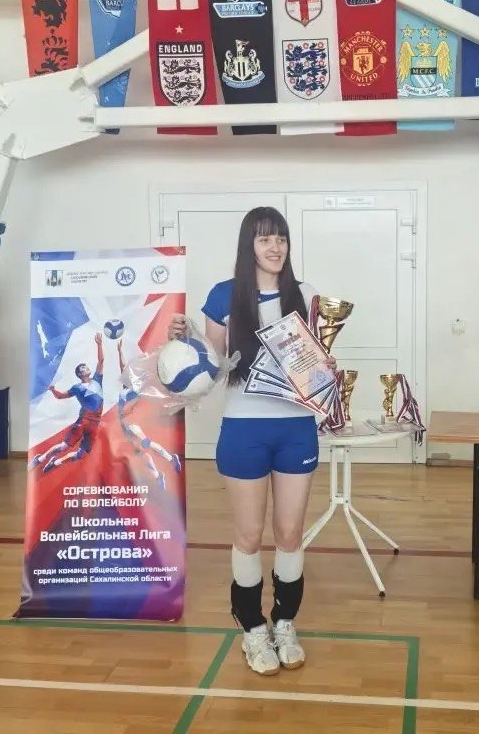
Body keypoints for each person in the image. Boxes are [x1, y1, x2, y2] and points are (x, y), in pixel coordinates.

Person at [168, 207, 333, 676]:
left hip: (296, 428)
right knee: (248, 535)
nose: (275, 247)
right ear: (249, 246)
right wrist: (185, 340)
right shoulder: (224, 294)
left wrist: (324, 369)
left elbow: (318, 363)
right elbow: (213, 365)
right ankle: (252, 628)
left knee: (289, 534)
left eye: (281, 238)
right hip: (244, 428)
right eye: (264, 239)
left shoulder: (306, 294)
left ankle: (284, 622)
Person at [29, 333, 105, 474]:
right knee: (64, 446)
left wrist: (99, 344)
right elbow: (61, 396)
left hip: (96, 423)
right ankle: (39, 459)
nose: (86, 368)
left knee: (82, 454)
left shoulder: (97, 380)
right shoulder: (77, 387)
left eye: (86, 367)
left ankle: (56, 462)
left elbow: (101, 361)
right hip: (84, 421)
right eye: (83, 368)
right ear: (80, 374)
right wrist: (53, 390)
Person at [116, 337, 182, 489]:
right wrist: (119, 352)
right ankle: (158, 476)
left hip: (130, 421)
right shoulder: (125, 388)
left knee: (145, 442)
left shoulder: (137, 388)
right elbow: (123, 368)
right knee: (139, 452)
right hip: (123, 424)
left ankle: (170, 458)